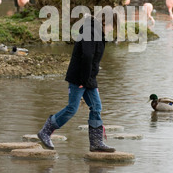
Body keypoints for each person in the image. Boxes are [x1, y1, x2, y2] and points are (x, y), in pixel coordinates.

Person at [37, 13, 117, 152]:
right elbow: (87, 56)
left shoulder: (97, 32)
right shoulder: (90, 31)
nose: (112, 30)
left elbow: (93, 59)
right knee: (72, 108)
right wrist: (84, 80)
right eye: (112, 26)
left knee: (96, 107)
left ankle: (96, 143)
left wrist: (90, 80)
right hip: (80, 77)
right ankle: (45, 131)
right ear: (106, 23)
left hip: (89, 78)